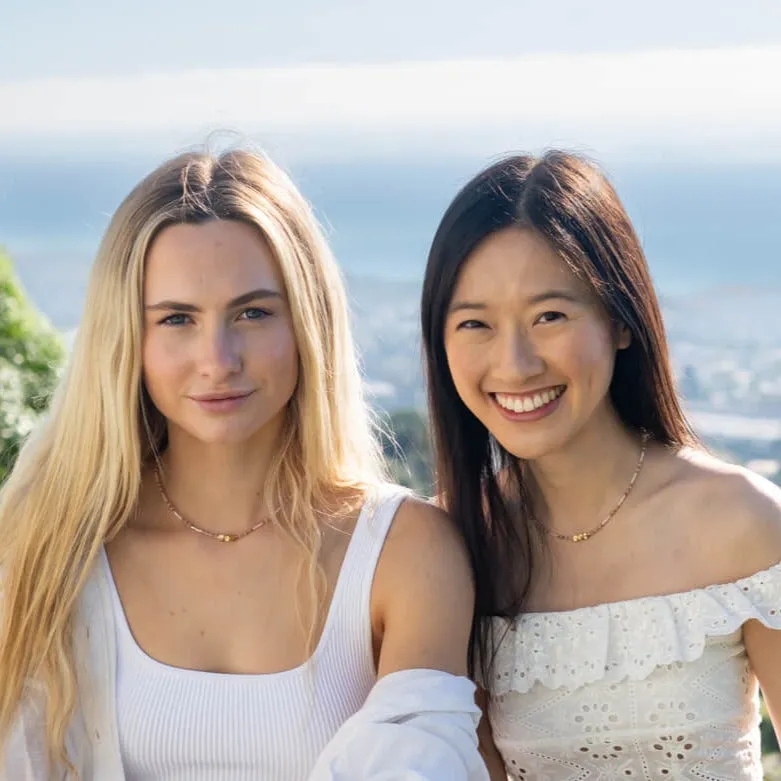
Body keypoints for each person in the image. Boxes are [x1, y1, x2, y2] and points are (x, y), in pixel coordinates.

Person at [0, 148, 488, 780]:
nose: (218, 358)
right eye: (177, 318)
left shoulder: (401, 550)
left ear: (307, 322)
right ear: (129, 340)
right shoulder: (54, 549)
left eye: (253, 312)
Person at [420, 150, 781, 780]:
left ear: (619, 320)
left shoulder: (741, 522)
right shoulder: (455, 547)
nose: (516, 364)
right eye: (475, 323)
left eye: (550, 316)